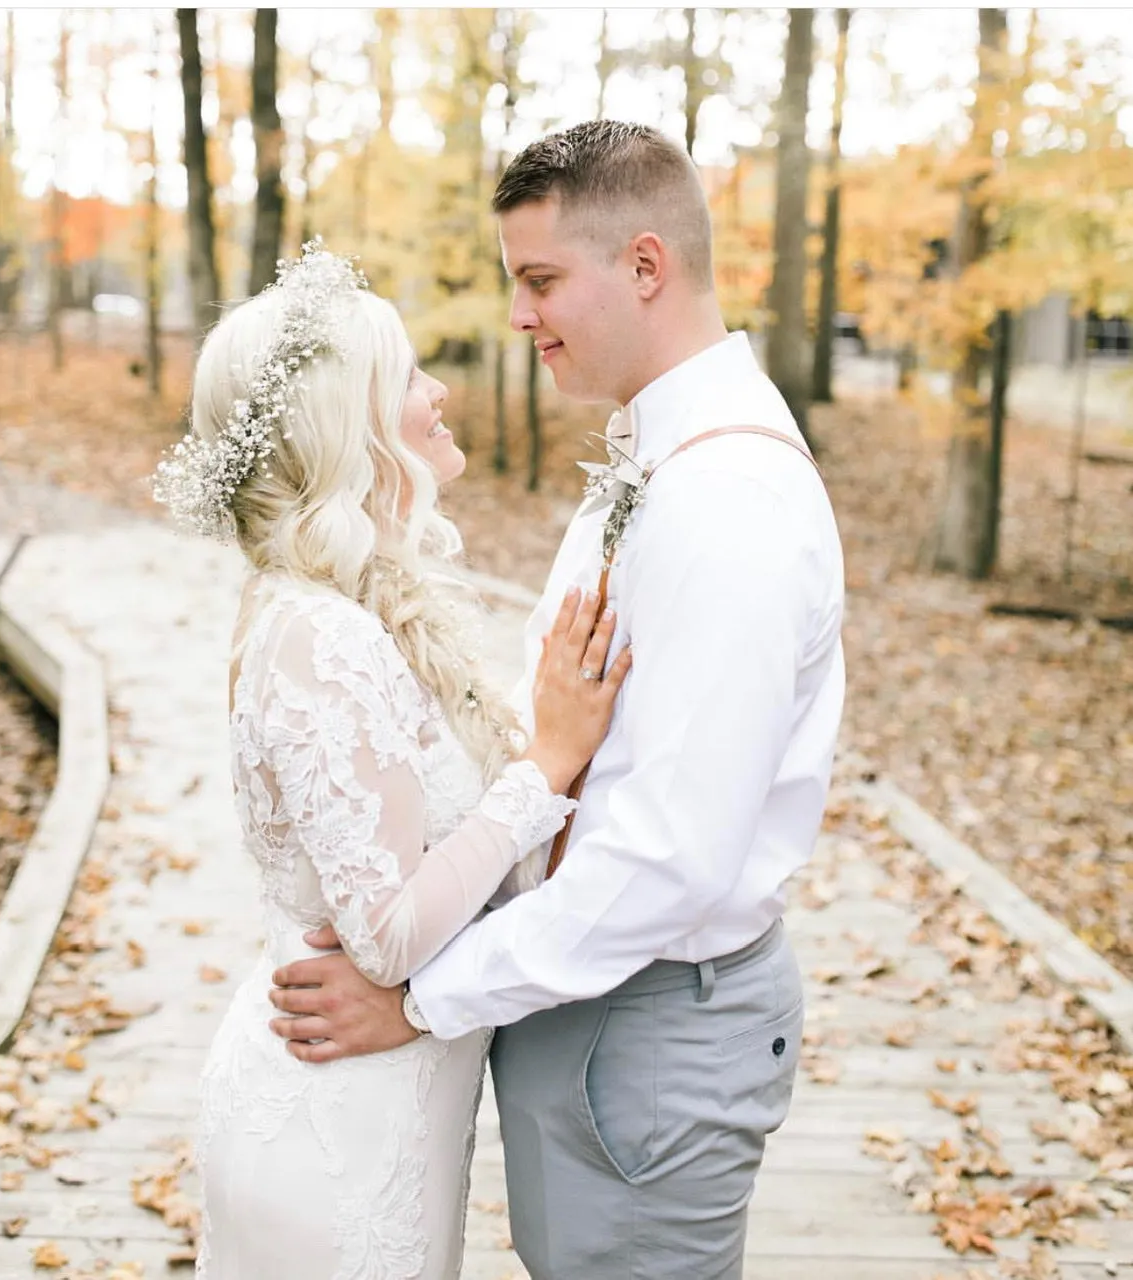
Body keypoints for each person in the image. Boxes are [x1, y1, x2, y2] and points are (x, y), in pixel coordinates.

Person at [271, 121, 846, 1278]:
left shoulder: (726, 502)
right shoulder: (660, 462)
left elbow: (669, 858)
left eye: (539, 281)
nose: (520, 316)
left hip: (649, 1024)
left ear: (645, 265)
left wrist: (424, 999)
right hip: (588, 1006)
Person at [152, 243, 631, 1279]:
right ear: (349, 420)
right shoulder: (318, 633)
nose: (439, 391)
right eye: (409, 376)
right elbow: (385, 933)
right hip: (333, 1121)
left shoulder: (349, 612)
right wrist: (545, 766)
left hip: (386, 1112)